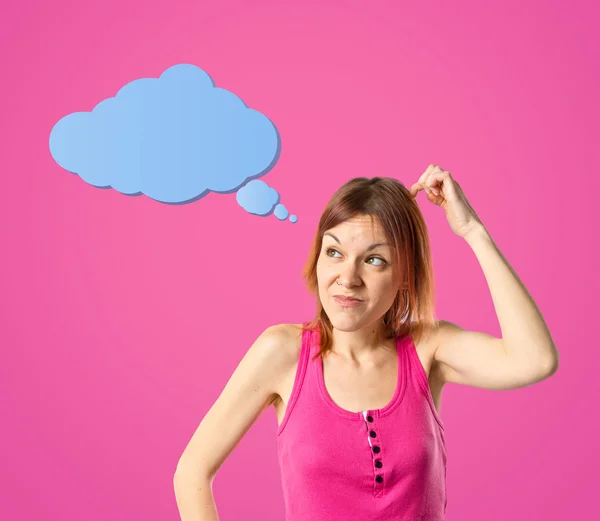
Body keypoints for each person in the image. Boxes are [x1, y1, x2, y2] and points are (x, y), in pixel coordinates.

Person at [173, 164, 560, 521]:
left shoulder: (429, 349)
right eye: (335, 252)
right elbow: (192, 472)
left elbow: (535, 359)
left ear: (405, 275)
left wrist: (472, 230)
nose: (348, 277)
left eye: (374, 260)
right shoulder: (283, 353)